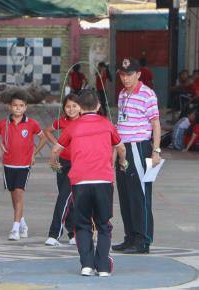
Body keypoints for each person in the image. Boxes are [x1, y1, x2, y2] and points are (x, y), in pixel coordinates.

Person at [50, 89, 127, 277]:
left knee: (82, 224)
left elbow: (55, 149)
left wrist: (54, 163)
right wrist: (122, 162)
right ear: (99, 106)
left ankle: (86, 265)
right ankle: (102, 267)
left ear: (80, 108)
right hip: (103, 180)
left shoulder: (73, 127)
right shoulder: (107, 124)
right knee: (103, 224)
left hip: (80, 182)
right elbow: (120, 147)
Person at [113, 57, 161, 254]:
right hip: (122, 148)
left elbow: (155, 124)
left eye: (130, 74)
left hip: (138, 148)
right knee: (125, 194)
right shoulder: (122, 94)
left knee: (139, 195)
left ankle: (143, 240)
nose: (126, 79)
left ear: (138, 74)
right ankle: (130, 237)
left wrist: (156, 150)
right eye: (123, 75)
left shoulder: (147, 94)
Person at [0, 91, 46, 241]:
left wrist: (34, 153)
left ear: (25, 107)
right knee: (14, 196)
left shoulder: (31, 123)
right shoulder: (4, 123)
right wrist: (0, 143)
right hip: (8, 164)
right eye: (15, 106)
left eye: (21, 106)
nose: (18, 108)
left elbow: (43, 137)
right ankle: (22, 223)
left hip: (24, 165)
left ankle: (15, 228)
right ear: (10, 107)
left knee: (19, 193)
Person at [44, 94, 80, 246]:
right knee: (66, 198)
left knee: (64, 197)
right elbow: (47, 131)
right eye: (67, 106)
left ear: (80, 107)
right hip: (61, 162)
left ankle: (54, 234)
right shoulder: (62, 121)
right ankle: (73, 233)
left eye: (74, 106)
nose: (71, 109)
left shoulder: (84, 122)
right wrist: (57, 144)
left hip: (77, 164)